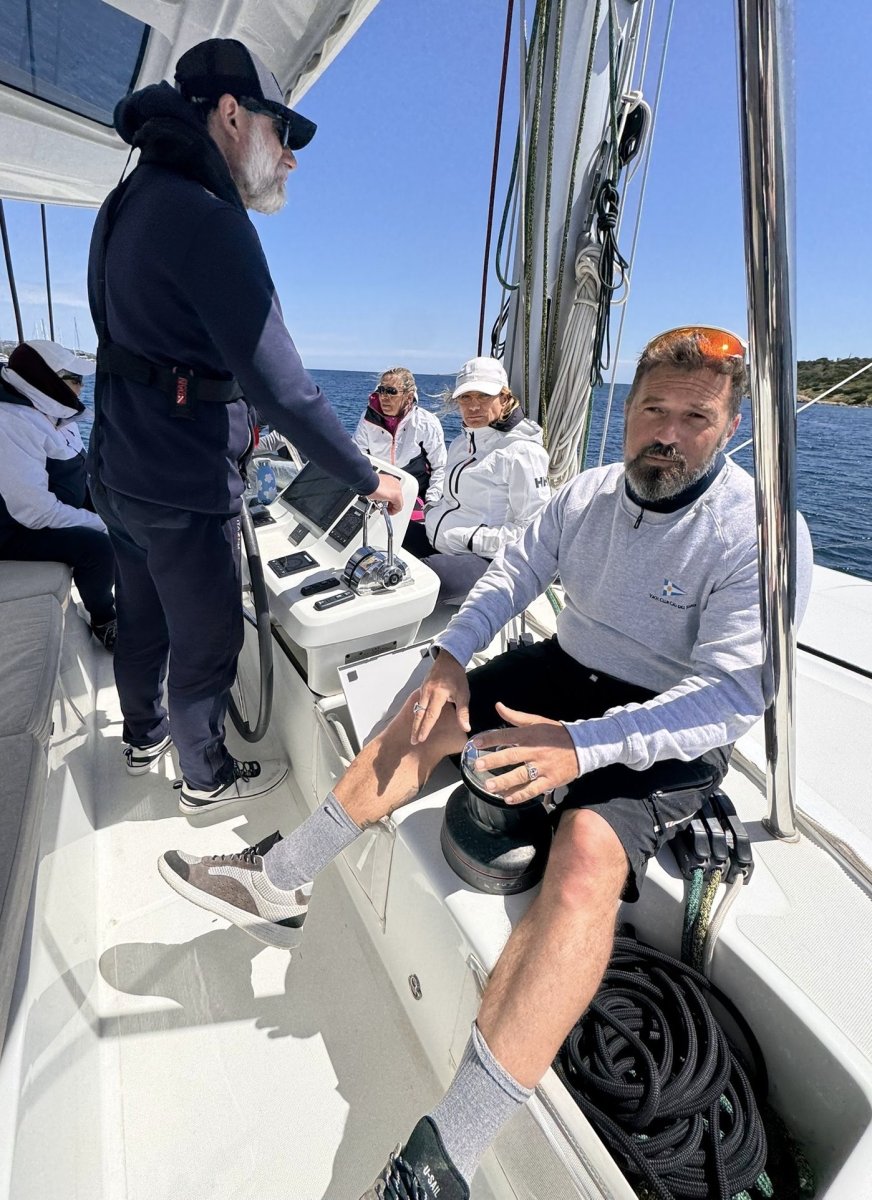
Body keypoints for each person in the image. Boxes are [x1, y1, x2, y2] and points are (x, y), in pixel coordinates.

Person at [156, 326, 815, 1199]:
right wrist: (452, 655)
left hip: (666, 720)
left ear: (728, 429)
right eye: (654, 409)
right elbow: (513, 576)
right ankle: (283, 879)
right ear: (626, 414)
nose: (669, 431)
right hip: (568, 668)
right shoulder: (584, 497)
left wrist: (578, 747)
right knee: (426, 709)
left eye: (696, 416)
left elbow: (731, 696)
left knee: (583, 862)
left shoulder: (757, 532)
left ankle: (444, 1158)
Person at [86, 38, 402, 804]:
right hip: (183, 484)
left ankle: (143, 737)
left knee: (143, 619)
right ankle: (205, 776)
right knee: (208, 640)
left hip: (117, 471)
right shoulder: (207, 219)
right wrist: (371, 476)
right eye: (282, 133)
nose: (290, 158)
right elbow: (285, 393)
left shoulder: (128, 199)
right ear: (230, 115)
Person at [402, 355, 551, 603]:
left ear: (504, 398)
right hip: (443, 540)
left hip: (487, 559)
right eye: (466, 397)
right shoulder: (462, 443)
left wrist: (469, 539)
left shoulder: (523, 452)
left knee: (421, 579)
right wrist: (432, 510)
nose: (473, 406)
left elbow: (533, 532)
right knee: (384, 535)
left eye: (484, 396)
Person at [0, 340, 117, 650]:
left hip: (52, 506)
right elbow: (34, 511)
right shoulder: (9, 421)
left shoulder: (44, 409)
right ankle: (105, 620)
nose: (81, 387)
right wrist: (100, 523)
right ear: (49, 381)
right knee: (97, 547)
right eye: (75, 380)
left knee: (126, 518)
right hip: (14, 530)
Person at [352, 367, 446, 531]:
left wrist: (431, 504)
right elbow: (358, 456)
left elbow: (440, 467)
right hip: (378, 488)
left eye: (391, 391)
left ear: (408, 397)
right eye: (381, 390)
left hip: (416, 494)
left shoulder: (427, 423)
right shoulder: (367, 419)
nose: (384, 397)